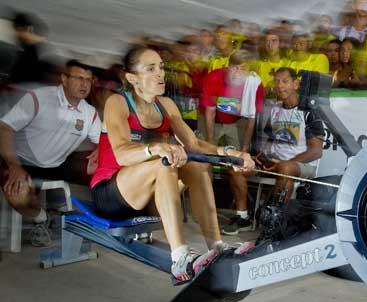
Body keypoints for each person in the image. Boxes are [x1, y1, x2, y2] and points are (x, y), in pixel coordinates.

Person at [90, 46, 255, 284]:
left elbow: (194, 144)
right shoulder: (118, 103)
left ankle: (217, 247)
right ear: (132, 78)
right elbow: (122, 155)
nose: (160, 74)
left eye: (161, 67)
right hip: (111, 193)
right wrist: (155, 148)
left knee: (196, 167)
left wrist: (230, 154)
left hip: (148, 196)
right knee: (164, 161)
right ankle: (179, 258)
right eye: (151, 69)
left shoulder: (166, 105)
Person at [0, 60, 100, 243]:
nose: (84, 84)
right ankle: (42, 218)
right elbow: (5, 128)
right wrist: (13, 165)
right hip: (23, 161)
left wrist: (101, 149)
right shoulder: (38, 98)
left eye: (88, 79)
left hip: (57, 164)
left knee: (100, 166)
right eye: (79, 78)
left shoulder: (89, 112)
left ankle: (87, 218)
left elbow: (103, 140)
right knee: (19, 195)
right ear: (64, 79)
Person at [222, 67, 324, 235]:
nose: (279, 86)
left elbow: (316, 151)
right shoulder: (275, 109)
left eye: (285, 81)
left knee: (285, 169)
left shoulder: (309, 112)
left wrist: (285, 163)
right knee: (236, 166)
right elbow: (269, 143)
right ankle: (242, 217)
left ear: (296, 84)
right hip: (275, 164)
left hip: (299, 166)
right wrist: (263, 158)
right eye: (276, 81)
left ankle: (275, 223)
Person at [254, 30, 290, 96]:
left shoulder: (289, 64)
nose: (270, 45)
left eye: (274, 41)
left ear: (280, 44)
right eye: (267, 41)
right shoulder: (258, 65)